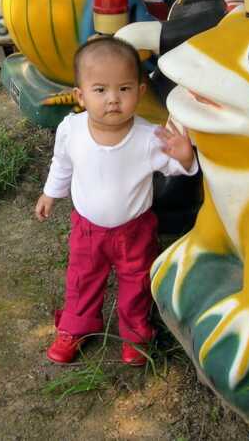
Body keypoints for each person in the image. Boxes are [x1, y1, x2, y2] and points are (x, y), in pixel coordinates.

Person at [34, 37, 198, 365]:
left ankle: (135, 333)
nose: (113, 100)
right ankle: (75, 326)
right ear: (80, 95)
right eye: (100, 90)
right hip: (88, 230)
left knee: (136, 281)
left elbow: (177, 168)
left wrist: (184, 157)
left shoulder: (149, 137)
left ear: (139, 91)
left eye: (123, 89)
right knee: (82, 277)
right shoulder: (71, 129)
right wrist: (51, 193)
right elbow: (63, 162)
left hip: (134, 231)